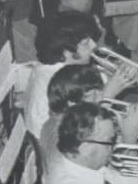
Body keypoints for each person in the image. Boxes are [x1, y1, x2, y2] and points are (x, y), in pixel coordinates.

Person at [23, 11, 132, 144]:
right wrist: (107, 95)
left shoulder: (52, 66)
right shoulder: (56, 81)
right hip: (57, 144)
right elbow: (78, 125)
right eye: (86, 43)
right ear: (66, 52)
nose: (93, 45)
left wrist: (116, 74)